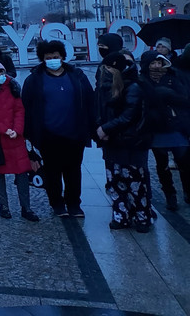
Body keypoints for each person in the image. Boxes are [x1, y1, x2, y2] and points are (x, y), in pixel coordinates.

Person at [21, 39, 95, 218]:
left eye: (56, 56)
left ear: (62, 56)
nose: (53, 59)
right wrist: (29, 134)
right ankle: (57, 203)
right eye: (48, 57)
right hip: (48, 134)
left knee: (73, 171)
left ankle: (74, 204)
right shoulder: (34, 79)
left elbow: (90, 100)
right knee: (53, 172)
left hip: (74, 133)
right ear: (42, 59)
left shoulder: (77, 76)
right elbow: (27, 106)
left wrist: (91, 126)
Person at [95, 53, 153, 231]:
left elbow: (129, 116)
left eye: (109, 69)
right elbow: (100, 111)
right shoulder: (106, 87)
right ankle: (121, 216)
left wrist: (105, 129)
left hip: (131, 144)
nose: (106, 72)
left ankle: (142, 216)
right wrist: (100, 127)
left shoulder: (134, 87)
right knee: (115, 182)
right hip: (113, 143)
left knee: (135, 183)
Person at [0, 61, 40, 221]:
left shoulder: (13, 86)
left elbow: (20, 109)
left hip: (14, 137)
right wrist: (4, 129)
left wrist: (17, 130)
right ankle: (3, 206)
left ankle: (26, 207)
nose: (0, 75)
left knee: (22, 173)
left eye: (1, 71)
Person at [142, 53, 190, 210]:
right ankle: (170, 194)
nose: (157, 66)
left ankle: (188, 191)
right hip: (156, 130)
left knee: (184, 162)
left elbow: (183, 100)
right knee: (162, 165)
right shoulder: (142, 80)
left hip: (176, 127)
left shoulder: (173, 76)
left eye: (159, 62)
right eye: (153, 63)